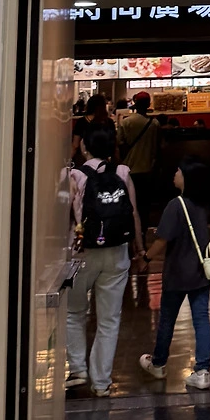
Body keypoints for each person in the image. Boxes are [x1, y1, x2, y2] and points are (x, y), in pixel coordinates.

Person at [66, 128, 143, 396]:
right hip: (117, 252)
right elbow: (133, 214)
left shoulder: (74, 175)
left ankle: (78, 369)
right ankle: (101, 383)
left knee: (73, 312)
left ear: (84, 147)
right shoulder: (122, 172)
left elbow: (64, 215)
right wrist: (140, 250)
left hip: (82, 252)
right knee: (109, 320)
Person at [139, 167, 210, 391]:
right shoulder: (201, 205)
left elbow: (162, 240)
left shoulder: (175, 205)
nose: (175, 174)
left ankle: (158, 364)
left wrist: (145, 257)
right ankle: (203, 371)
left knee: (167, 320)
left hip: (177, 274)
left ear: (187, 178)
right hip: (200, 272)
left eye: (179, 172)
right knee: (201, 319)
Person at [117, 90, 160, 226]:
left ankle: (131, 229)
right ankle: (143, 228)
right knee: (145, 204)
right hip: (148, 169)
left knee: (130, 203)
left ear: (135, 104)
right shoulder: (154, 124)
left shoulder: (126, 122)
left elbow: (119, 143)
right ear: (148, 105)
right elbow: (158, 147)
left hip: (129, 169)